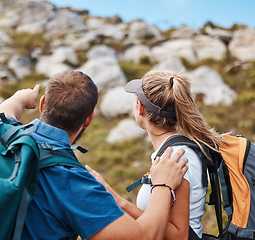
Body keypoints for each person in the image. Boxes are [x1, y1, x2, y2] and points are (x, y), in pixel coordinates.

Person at [0, 70, 189, 240]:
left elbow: (5, 111)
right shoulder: (72, 182)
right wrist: (163, 185)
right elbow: (144, 236)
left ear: (43, 104)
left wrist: (21, 97)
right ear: (88, 119)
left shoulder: (2, 133)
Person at [87, 70, 225, 240]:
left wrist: (116, 200)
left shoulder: (176, 157)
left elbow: (179, 236)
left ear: (141, 108)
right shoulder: (171, 151)